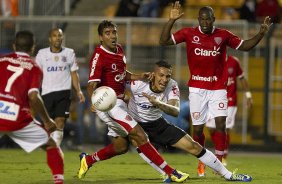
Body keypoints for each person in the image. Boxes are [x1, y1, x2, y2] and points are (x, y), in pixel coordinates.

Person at [159, 1, 272, 177]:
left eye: (208, 19)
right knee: (197, 130)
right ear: (198, 19)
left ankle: (219, 162)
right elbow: (163, 41)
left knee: (221, 124)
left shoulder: (223, 35)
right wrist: (171, 20)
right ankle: (202, 160)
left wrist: (261, 34)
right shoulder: (189, 33)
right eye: (202, 19)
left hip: (218, 87)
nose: (205, 22)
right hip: (197, 88)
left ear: (214, 19)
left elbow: (246, 46)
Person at [77, 20, 189, 183]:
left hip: (121, 102)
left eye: (114, 32)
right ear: (101, 37)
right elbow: (91, 84)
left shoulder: (119, 49)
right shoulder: (98, 56)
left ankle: (87, 160)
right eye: (107, 33)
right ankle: (171, 172)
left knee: (120, 147)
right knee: (139, 135)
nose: (112, 36)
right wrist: (94, 101)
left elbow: (122, 74)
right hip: (109, 105)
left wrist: (138, 76)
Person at [126, 60, 252, 182]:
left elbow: (175, 111)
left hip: (157, 124)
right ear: (153, 74)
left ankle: (228, 175)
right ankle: (168, 173)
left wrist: (158, 103)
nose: (164, 80)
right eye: (161, 75)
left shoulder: (172, 85)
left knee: (194, 146)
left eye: (168, 76)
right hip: (134, 124)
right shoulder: (138, 83)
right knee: (121, 147)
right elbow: (117, 82)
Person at [0, 30, 64, 184]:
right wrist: (47, 120)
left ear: (14, 45)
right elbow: (33, 97)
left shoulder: (1, 60)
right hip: (17, 119)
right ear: (33, 48)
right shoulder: (34, 68)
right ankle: (58, 181)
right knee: (51, 145)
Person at [36, 28, 85, 146]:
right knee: (48, 124)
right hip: (46, 93)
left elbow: (74, 73)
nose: (57, 38)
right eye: (54, 36)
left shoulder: (69, 52)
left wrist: (78, 91)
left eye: (59, 35)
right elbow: (36, 74)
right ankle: (49, 145)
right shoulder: (42, 54)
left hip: (63, 93)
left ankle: (55, 149)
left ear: (62, 38)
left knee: (60, 121)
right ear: (50, 38)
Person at [206, 55, 253, 166]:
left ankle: (223, 156)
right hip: (214, 99)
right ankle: (220, 148)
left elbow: (242, 78)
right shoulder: (211, 59)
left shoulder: (234, 61)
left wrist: (248, 95)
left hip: (230, 101)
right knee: (211, 128)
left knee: (224, 128)